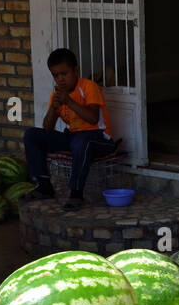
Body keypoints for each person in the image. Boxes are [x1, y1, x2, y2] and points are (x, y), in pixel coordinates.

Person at [22, 48, 117, 210]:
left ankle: (76, 193)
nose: (60, 79)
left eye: (64, 74)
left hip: (100, 139)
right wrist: (54, 107)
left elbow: (93, 118)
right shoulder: (58, 94)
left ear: (76, 71)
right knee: (31, 135)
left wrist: (69, 101)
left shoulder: (88, 86)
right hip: (74, 138)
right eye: (55, 75)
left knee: (80, 141)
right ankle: (44, 185)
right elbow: (47, 128)